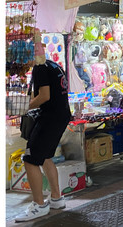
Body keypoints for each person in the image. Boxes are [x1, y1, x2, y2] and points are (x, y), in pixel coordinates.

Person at [13, 60, 71, 222]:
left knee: (30, 159)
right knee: (45, 157)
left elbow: (44, 96)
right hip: (60, 115)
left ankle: (38, 205)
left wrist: (25, 108)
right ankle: (56, 198)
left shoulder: (40, 68)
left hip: (50, 118)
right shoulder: (53, 65)